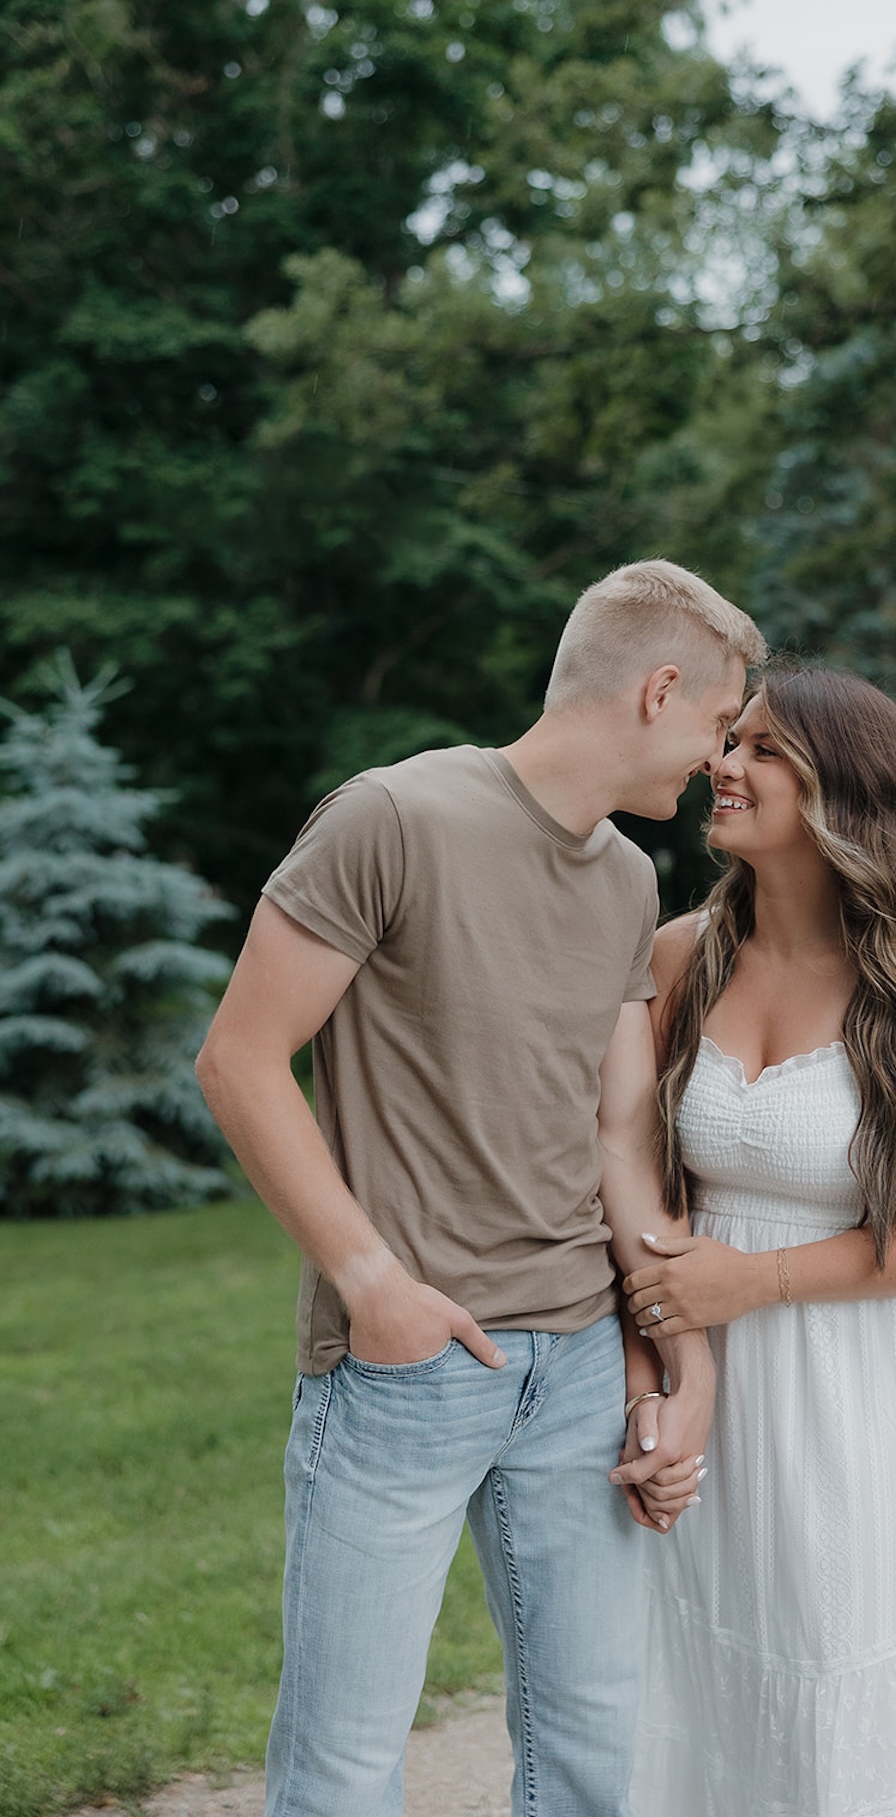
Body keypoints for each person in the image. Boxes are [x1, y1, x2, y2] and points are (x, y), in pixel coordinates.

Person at [194, 560, 767, 1817]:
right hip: (411, 1369)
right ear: (657, 690)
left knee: (587, 1751)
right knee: (344, 1767)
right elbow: (239, 1060)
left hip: (572, 1371)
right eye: (716, 727)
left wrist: (666, 1348)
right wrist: (369, 1285)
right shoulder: (391, 817)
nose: (715, 763)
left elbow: (619, 1126)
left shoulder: (625, 879)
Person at [624, 665, 896, 1817]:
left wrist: (756, 1278)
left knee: (854, 1661)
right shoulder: (679, 956)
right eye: (728, 741)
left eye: (761, 749)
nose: (722, 765)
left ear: (844, 790)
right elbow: (628, 1179)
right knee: (708, 1671)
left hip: (871, 1384)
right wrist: (667, 1369)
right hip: (711, 1372)